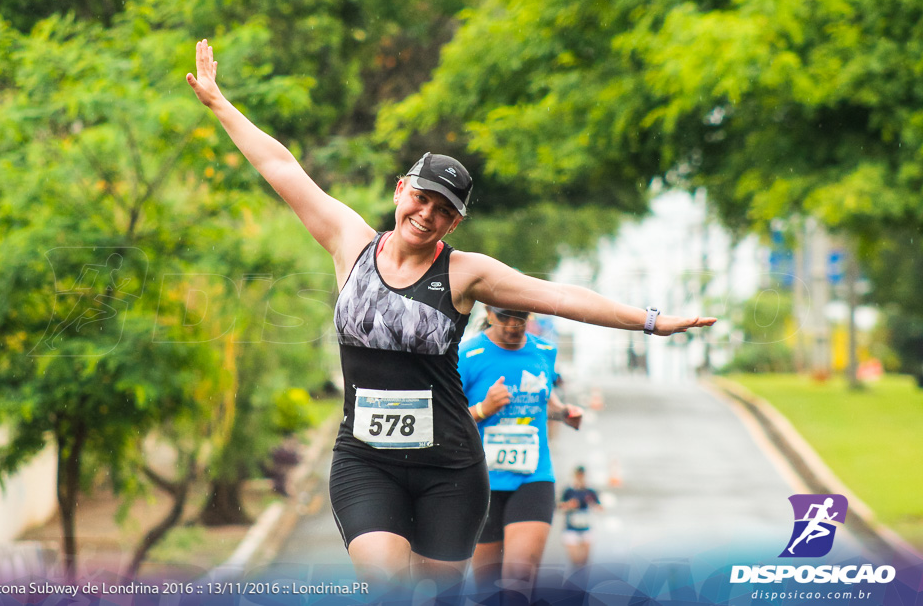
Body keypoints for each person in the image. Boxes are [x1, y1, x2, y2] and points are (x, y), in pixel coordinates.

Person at [186, 39, 716, 588]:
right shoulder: (349, 243)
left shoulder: (466, 273)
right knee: (386, 584)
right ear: (400, 191)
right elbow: (282, 166)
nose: (427, 214)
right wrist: (221, 104)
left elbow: (561, 295)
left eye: (444, 211)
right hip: (366, 461)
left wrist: (651, 321)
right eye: (421, 198)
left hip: (450, 469)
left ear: (454, 224)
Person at [459, 306, 583, 595]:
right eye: (505, 316)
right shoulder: (466, 355)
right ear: (489, 313)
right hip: (481, 482)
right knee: (487, 590)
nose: (513, 324)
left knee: (519, 582)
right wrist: (483, 409)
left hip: (533, 477)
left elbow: (543, 394)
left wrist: (563, 412)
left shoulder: (544, 350)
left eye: (521, 316)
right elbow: (445, 420)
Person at [559, 466, 602, 569]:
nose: (580, 477)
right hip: (571, 528)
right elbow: (559, 506)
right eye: (579, 474)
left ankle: (582, 581)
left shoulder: (590, 491)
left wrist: (593, 505)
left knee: (585, 561)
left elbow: (600, 507)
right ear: (575, 475)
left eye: (582, 475)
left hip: (586, 527)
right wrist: (569, 505)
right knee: (575, 560)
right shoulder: (569, 490)